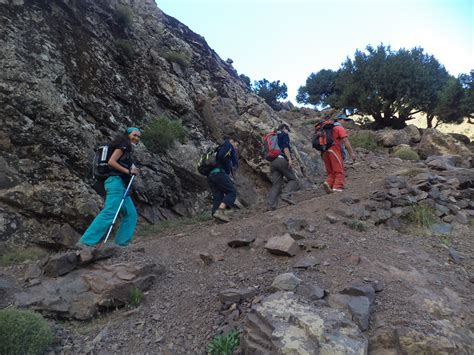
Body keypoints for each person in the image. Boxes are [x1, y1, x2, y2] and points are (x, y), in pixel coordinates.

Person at [77, 127, 141, 249]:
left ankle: (121, 244)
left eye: (138, 136)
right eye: (135, 135)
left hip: (121, 185)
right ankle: (86, 242)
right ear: (127, 135)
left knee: (131, 214)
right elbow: (111, 162)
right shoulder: (124, 145)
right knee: (110, 211)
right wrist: (128, 171)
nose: (137, 138)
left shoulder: (127, 149)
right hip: (115, 182)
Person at [267, 123, 300, 211]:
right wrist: (289, 159)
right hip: (281, 160)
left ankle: (271, 206)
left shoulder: (272, 136)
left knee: (276, 184)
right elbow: (285, 147)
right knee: (293, 180)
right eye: (287, 130)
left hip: (273, 162)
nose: (287, 132)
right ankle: (286, 195)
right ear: (284, 128)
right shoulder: (283, 134)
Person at [207, 137, 239, 222]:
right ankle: (220, 212)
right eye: (237, 145)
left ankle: (215, 217)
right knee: (232, 191)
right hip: (218, 173)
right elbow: (223, 157)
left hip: (210, 175)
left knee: (218, 196)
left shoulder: (219, 147)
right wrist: (227, 167)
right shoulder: (228, 145)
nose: (236, 147)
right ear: (233, 141)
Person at [321, 119, 356, 193]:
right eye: (344, 120)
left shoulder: (325, 129)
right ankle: (337, 188)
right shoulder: (339, 128)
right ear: (340, 120)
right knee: (339, 170)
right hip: (334, 150)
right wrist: (351, 153)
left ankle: (328, 182)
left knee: (331, 171)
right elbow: (346, 141)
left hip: (324, 152)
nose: (345, 122)